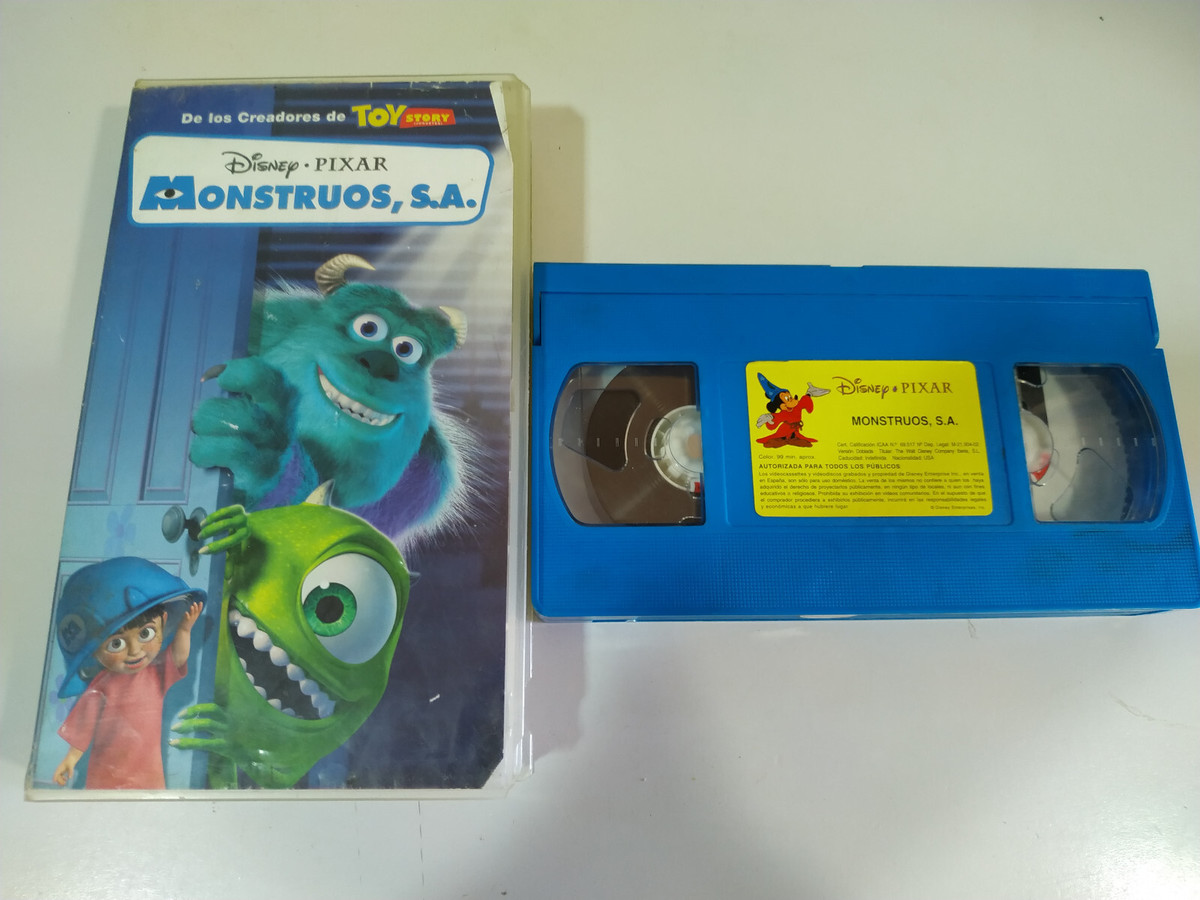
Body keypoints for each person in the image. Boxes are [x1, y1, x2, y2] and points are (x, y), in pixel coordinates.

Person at [51, 557, 204, 789]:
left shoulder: (156, 674)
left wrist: (184, 630)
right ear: (93, 650)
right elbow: (84, 725)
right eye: (116, 644)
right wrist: (71, 758)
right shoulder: (101, 684)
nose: (134, 651)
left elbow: (179, 657)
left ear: (163, 622)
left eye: (146, 634)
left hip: (148, 771)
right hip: (105, 771)